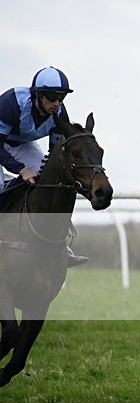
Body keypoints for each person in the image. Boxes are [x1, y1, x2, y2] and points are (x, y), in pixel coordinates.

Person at [0, 66, 87, 267]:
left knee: (49, 180)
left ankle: (62, 245)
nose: (56, 103)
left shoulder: (59, 115)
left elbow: (54, 156)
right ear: (37, 94)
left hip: (20, 145)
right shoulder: (12, 103)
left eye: (61, 97)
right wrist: (21, 170)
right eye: (51, 96)